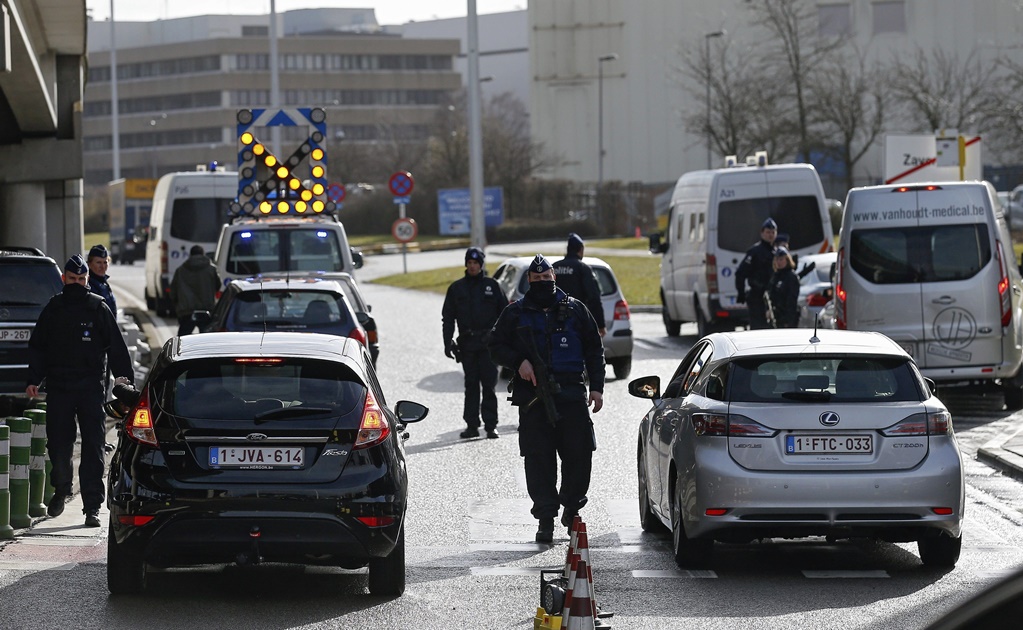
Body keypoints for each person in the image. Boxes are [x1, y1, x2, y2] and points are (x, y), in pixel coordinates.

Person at [488, 254, 605, 543]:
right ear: (529, 280)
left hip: (571, 395)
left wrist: (597, 387)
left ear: (554, 277)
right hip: (533, 399)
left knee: (579, 456)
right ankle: (545, 518)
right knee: (538, 460)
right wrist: (519, 362)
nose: (542, 282)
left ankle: (572, 506)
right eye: (537, 279)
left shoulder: (575, 309)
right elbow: (494, 345)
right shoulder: (515, 313)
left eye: (546, 278)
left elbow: (594, 349)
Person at [25, 254, 134, 527]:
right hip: (59, 387)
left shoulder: (97, 308)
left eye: (81, 279)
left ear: (87, 280)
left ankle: (92, 507)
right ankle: (61, 489)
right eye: (72, 279)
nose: (76, 283)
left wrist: (123, 382)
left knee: (93, 449)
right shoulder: (54, 308)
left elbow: (117, 348)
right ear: (64, 279)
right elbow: (38, 346)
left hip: (90, 388)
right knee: (59, 447)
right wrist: (33, 378)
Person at [442, 247, 507, 439]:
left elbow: (504, 316)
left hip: (488, 345)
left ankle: (490, 425)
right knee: (471, 385)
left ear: (481, 265)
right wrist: (447, 342)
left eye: (476, 264)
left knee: (489, 385)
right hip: (468, 345)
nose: (472, 267)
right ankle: (471, 425)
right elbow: (448, 318)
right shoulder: (456, 288)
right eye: (469, 263)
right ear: (466, 265)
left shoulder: (492, 286)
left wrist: (501, 340)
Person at [552, 233, 606, 337]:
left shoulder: (554, 267)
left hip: (555, 322)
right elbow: (594, 298)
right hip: (578, 322)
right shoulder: (582, 268)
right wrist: (600, 325)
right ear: (581, 249)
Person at [735, 217, 778, 330]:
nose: (770, 235)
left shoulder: (776, 252)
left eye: (773, 232)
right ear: (762, 233)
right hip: (757, 296)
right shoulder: (755, 252)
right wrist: (741, 292)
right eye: (768, 232)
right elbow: (740, 273)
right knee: (758, 328)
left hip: (772, 296)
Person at [170, 244, 221, 336]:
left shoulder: (180, 270)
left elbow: (173, 291)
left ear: (190, 255)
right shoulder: (212, 269)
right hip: (206, 309)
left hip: (186, 310)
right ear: (203, 254)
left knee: (183, 340)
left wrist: (177, 305)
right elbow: (218, 286)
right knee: (207, 338)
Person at [768, 247, 800, 328]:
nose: (779, 262)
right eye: (777, 259)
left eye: (781, 259)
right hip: (775, 316)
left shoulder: (791, 277)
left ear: (787, 260)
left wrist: (788, 320)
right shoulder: (775, 276)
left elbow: (792, 301)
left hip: (786, 317)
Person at [86, 244, 117, 315]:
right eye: (98, 262)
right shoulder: (88, 285)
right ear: (89, 264)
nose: (103, 266)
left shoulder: (104, 283)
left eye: (105, 262)